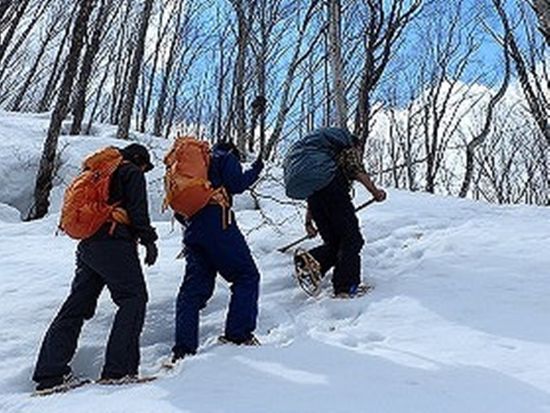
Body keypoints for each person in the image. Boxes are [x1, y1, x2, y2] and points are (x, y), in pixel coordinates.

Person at [33, 143, 158, 392]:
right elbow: (137, 209)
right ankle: (118, 371)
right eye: (144, 168)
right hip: (113, 243)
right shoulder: (130, 171)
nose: (142, 172)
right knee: (133, 298)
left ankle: (50, 374)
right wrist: (149, 240)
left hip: (88, 245)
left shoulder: (96, 171)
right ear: (138, 160)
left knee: (76, 306)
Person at [172, 142, 264, 363]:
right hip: (218, 224)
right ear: (233, 150)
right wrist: (256, 169)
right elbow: (237, 184)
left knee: (191, 294)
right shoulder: (225, 157)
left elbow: (179, 209)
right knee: (246, 276)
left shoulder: (190, 170)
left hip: (193, 230)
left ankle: (183, 350)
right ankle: (238, 335)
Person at [284, 127, 386, 298]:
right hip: (335, 192)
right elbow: (356, 170)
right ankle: (346, 287)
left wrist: (309, 223)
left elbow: (313, 194)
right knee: (352, 240)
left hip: (316, 198)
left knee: (334, 243)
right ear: (357, 145)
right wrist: (375, 192)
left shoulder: (318, 162)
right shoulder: (347, 147)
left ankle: (309, 261)